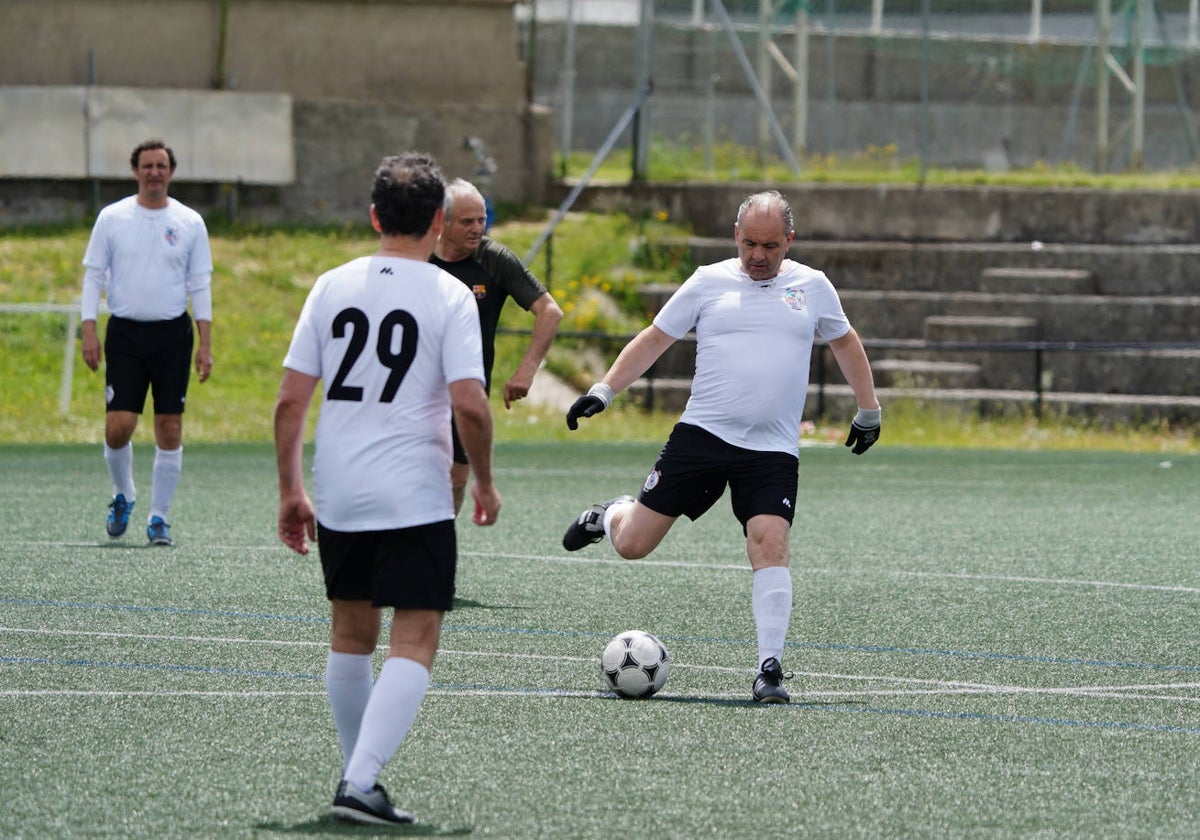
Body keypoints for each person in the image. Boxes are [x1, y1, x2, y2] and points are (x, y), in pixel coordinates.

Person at [561, 189, 881, 704]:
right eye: (749, 243)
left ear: (789, 242)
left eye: (771, 246)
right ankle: (612, 514)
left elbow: (845, 341)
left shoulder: (813, 287)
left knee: (769, 543)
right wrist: (604, 390)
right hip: (702, 438)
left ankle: (769, 670)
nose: (758, 256)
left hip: (772, 450)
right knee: (633, 546)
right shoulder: (707, 282)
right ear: (736, 236)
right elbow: (654, 337)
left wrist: (869, 410)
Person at [274, 152, 501, 826]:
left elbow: (290, 404)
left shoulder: (330, 284)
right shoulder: (448, 294)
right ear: (438, 221)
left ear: (374, 216)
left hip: (339, 486)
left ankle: (358, 779)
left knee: (350, 634)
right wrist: (484, 479)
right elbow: (472, 406)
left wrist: (290, 489)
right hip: (413, 492)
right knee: (416, 635)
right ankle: (362, 778)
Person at [80, 138, 214, 547]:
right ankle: (124, 495)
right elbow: (93, 275)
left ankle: (159, 518)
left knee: (169, 428)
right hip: (125, 334)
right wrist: (89, 329)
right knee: (119, 427)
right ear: (135, 171)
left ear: (171, 172)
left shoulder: (190, 222)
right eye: (146, 165)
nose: (154, 172)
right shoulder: (112, 217)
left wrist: (205, 342)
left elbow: (200, 284)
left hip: (173, 336)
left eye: (161, 165)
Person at [431, 178, 562, 513]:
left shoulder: (494, 259)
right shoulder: (418, 256)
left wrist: (527, 370)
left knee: (456, 478)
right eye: (466, 221)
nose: (477, 228)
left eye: (482, 219)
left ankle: (434, 547)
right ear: (441, 222)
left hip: (467, 388)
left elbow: (549, 311)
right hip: (418, 386)